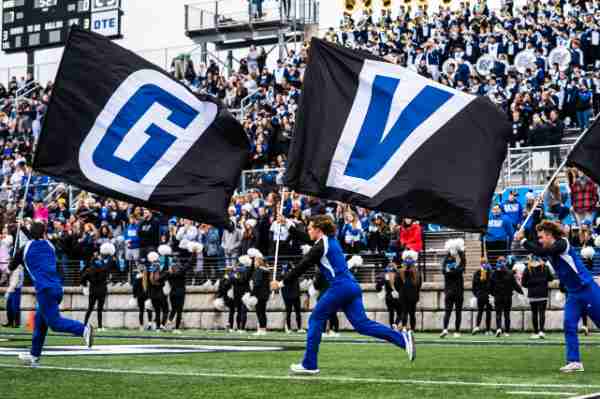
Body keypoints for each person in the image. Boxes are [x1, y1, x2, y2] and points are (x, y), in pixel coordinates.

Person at [270, 215, 415, 375]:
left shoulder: (320, 246)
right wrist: (287, 223)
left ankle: (309, 364)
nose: (308, 230)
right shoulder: (328, 240)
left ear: (318, 230)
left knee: (316, 319)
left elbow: (302, 266)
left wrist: (281, 283)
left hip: (340, 287)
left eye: (310, 228)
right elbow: (305, 237)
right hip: (352, 286)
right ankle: (402, 340)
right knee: (362, 325)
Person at [517, 221, 600, 372]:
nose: (540, 241)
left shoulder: (562, 243)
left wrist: (522, 241)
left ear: (549, 236)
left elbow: (541, 252)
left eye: (542, 237)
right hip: (573, 293)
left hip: (587, 289)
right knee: (569, 324)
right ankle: (574, 361)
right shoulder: (550, 248)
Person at [9, 221, 94, 367]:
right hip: (56, 288)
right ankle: (34, 355)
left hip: (44, 290)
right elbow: (35, 239)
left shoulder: (24, 249)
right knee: (40, 323)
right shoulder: (50, 246)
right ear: (43, 233)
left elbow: (11, 266)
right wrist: (22, 228)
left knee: (54, 323)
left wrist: (15, 255)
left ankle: (84, 330)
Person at [521, 255, 554, 339]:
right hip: (543, 293)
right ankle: (541, 331)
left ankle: (535, 332)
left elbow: (523, 283)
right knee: (542, 313)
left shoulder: (527, 268)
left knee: (534, 313)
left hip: (532, 294)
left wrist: (531, 284)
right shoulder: (545, 267)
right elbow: (551, 278)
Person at [81, 247, 114, 331]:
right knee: (100, 309)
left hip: (93, 290)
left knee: (90, 308)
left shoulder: (91, 269)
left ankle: (84, 325)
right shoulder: (104, 268)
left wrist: (85, 286)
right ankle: (99, 327)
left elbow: (83, 277)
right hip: (102, 290)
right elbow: (109, 268)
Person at [490, 256, 524, 338]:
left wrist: (493, 294)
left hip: (498, 296)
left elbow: (490, 285)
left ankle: (498, 328)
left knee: (498, 313)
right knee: (507, 314)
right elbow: (514, 285)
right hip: (507, 296)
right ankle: (507, 331)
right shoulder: (509, 273)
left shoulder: (494, 273)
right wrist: (521, 292)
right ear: (505, 262)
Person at [440, 239, 465, 338]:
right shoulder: (447, 260)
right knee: (449, 311)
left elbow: (460, 269)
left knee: (457, 311)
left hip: (456, 290)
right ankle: (446, 329)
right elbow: (444, 271)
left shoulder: (460, 261)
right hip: (451, 290)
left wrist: (451, 269)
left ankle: (456, 330)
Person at [165, 246, 189, 334]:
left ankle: (168, 323)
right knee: (179, 311)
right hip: (180, 293)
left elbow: (161, 278)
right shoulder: (181, 273)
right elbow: (188, 265)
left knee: (174, 309)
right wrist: (194, 253)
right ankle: (176, 328)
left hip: (172, 293)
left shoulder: (169, 273)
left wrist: (166, 257)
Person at [398, 250, 421, 332]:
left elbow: (418, 284)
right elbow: (419, 284)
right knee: (408, 312)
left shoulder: (415, 271)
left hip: (409, 295)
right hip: (408, 294)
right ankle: (409, 328)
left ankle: (408, 327)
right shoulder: (402, 269)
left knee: (409, 312)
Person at [375, 260, 402, 330]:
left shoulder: (384, 276)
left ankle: (392, 326)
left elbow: (378, 285)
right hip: (397, 297)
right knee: (400, 312)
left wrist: (380, 291)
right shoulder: (398, 276)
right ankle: (396, 324)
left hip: (388, 297)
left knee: (391, 313)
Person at [250, 253, 271, 336]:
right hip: (265, 294)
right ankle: (263, 328)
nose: (254, 263)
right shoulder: (265, 270)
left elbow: (257, 284)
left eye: (255, 261)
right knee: (263, 312)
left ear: (258, 262)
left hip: (259, 294)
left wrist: (252, 294)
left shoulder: (259, 270)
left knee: (259, 312)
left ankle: (261, 329)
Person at [472, 258, 493, 335]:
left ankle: (477, 326)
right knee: (488, 312)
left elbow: (474, 285)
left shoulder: (477, 272)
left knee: (480, 312)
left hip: (481, 295)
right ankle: (487, 330)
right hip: (487, 295)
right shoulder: (489, 272)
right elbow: (492, 283)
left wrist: (476, 294)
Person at [281, 263, 304, 333]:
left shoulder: (285, 275)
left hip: (291, 296)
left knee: (291, 312)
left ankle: (291, 328)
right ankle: (295, 328)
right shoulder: (290, 275)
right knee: (293, 312)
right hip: (292, 296)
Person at [132, 264, 153, 331]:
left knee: (141, 311)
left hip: (140, 296)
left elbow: (134, 288)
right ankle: (150, 325)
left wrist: (134, 296)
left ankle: (141, 326)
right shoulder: (147, 277)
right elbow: (150, 287)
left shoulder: (137, 278)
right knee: (149, 310)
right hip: (147, 296)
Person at [3, 263, 24, 328]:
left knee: (15, 307)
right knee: (9, 306)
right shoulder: (14, 268)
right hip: (12, 289)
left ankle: (16, 323)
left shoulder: (17, 269)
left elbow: (14, 282)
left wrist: (7, 292)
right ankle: (10, 322)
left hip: (15, 289)